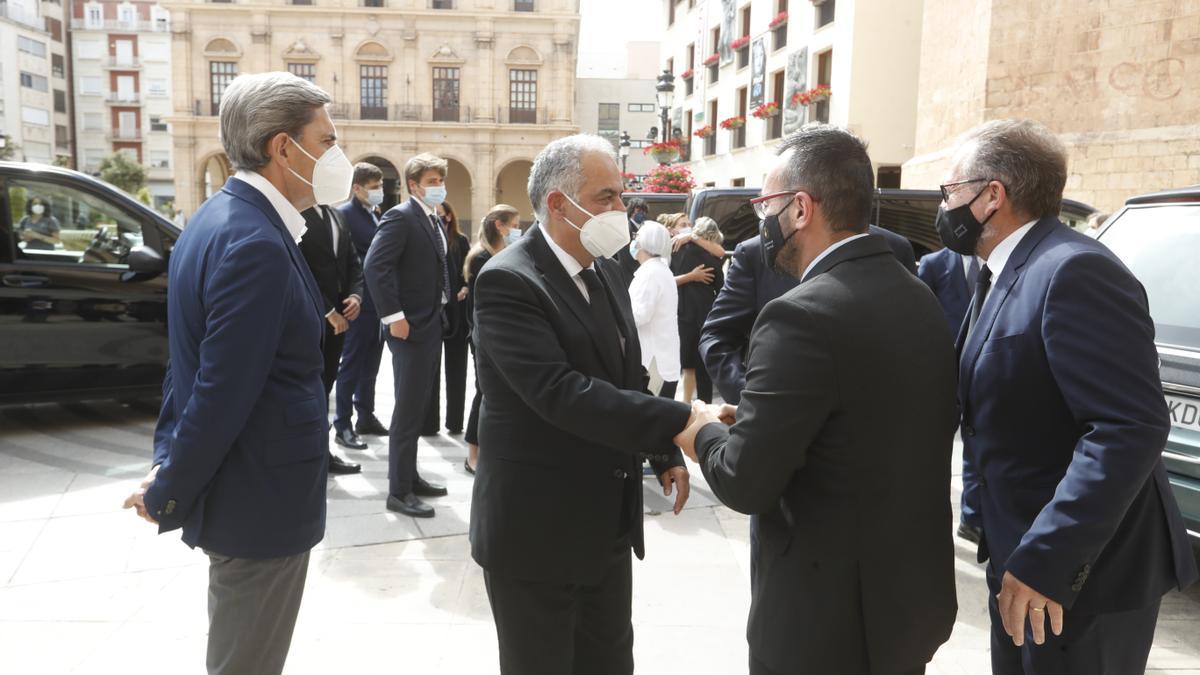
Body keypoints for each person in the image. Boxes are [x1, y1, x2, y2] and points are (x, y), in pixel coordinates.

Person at [675, 125, 959, 675]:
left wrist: (700, 427)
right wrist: (766, 419)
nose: (764, 220)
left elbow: (745, 479)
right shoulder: (917, 294)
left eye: (767, 204)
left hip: (824, 622)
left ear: (800, 208)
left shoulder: (798, 314)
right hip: (905, 606)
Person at [942, 119, 1197, 674]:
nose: (946, 205)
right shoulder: (998, 271)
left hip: (1081, 577)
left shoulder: (1074, 270)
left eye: (951, 191)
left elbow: (1126, 429)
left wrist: (1046, 560)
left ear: (992, 196)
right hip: (1021, 557)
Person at [120, 71, 349, 675]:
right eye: (327, 142)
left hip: (251, 496)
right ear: (282, 147)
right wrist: (169, 488)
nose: (337, 156)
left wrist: (168, 460)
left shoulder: (218, 218)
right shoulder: (256, 242)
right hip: (261, 503)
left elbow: (188, 362)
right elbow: (221, 390)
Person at [470, 134, 697, 675]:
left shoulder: (609, 269)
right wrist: (684, 420)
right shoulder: (507, 280)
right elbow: (560, 393)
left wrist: (664, 450)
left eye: (620, 197)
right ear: (557, 203)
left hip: (604, 528)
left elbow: (623, 377)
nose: (623, 209)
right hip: (537, 535)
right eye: (607, 198)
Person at [363, 152, 452, 518]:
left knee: (417, 409)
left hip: (431, 325)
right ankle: (398, 491)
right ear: (413, 184)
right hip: (409, 328)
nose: (438, 187)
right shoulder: (400, 217)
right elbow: (375, 265)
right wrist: (393, 316)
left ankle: (410, 477)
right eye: (432, 181)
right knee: (407, 411)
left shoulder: (431, 219)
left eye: (440, 181)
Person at [298, 202, 364, 475]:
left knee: (325, 386)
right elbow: (300, 268)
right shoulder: (298, 214)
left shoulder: (337, 214)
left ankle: (322, 453)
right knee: (310, 388)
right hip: (312, 316)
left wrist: (356, 295)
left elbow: (352, 261)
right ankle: (309, 455)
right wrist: (327, 310)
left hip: (341, 315)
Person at [333, 162, 390, 444]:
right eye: (374, 187)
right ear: (357, 188)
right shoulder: (344, 215)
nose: (380, 191)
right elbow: (346, 261)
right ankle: (342, 423)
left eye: (380, 186)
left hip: (376, 304)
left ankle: (365, 415)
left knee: (372, 365)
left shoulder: (373, 214)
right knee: (352, 364)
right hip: (357, 304)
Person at [462, 203, 521, 474]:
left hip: (492, 336)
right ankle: (472, 454)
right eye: (515, 225)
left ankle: (485, 449)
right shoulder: (482, 257)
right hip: (483, 338)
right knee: (482, 392)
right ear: (500, 225)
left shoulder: (495, 253)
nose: (518, 230)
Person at [423, 199, 471, 435]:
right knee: (430, 370)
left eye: (441, 215)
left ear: (450, 216)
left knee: (457, 369)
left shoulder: (460, 241)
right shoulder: (428, 240)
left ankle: (455, 422)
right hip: (434, 312)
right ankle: (428, 424)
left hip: (458, 312)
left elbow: (467, 271)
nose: (438, 220)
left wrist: (465, 287)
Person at [671, 216, 724, 403]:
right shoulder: (711, 256)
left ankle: (679, 406)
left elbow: (666, 280)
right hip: (705, 314)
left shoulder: (675, 250)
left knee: (682, 365)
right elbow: (721, 285)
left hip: (681, 313)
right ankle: (705, 406)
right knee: (702, 365)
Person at [627, 221, 680, 399]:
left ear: (646, 243)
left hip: (653, 362)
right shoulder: (660, 270)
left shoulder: (650, 274)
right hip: (661, 358)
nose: (634, 241)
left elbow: (639, 315)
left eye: (637, 237)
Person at [615, 197, 648, 287]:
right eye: (638, 211)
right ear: (631, 211)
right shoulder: (626, 228)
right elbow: (625, 255)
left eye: (643, 211)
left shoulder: (645, 227)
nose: (641, 213)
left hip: (643, 270)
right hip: (630, 272)